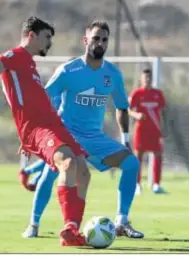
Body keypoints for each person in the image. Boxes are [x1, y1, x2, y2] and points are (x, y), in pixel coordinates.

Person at [0, 16, 91, 247]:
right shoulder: (15, 55)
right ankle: (67, 227)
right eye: (46, 37)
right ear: (32, 35)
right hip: (39, 128)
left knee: (84, 172)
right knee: (67, 163)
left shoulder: (30, 63)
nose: (49, 43)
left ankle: (73, 229)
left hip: (54, 125)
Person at [19, 20, 144, 239]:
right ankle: (34, 224)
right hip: (66, 135)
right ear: (85, 40)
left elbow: (122, 107)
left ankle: (121, 221)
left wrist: (125, 139)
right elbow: (42, 100)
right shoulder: (68, 70)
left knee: (131, 163)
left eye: (104, 39)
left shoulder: (113, 74)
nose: (100, 43)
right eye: (96, 38)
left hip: (95, 137)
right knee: (49, 175)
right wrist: (34, 134)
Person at [129, 68, 167, 195]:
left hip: (155, 130)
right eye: (145, 78)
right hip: (141, 130)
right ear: (141, 79)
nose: (147, 80)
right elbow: (127, 110)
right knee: (138, 156)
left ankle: (156, 184)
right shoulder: (136, 94)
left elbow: (162, 112)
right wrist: (137, 115)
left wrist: (163, 129)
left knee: (158, 154)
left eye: (149, 78)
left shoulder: (158, 94)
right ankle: (137, 185)